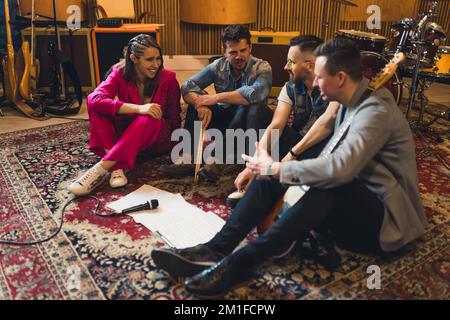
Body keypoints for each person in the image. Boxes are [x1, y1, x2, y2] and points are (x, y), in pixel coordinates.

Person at [151, 38, 427, 298]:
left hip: (384, 223)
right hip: (350, 206)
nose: (315, 82)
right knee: (272, 170)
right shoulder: (348, 100)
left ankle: (241, 262)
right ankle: (215, 248)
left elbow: (341, 170)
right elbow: (321, 135)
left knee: (320, 183)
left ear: (341, 78)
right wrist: (272, 168)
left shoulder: (374, 112)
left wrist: (278, 170)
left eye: (319, 76)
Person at [228, 35, 339, 207]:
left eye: (291, 62)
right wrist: (255, 162)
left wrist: (289, 157)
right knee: (257, 110)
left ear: (310, 65)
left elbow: (326, 123)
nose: (285, 67)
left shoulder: (333, 85)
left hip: (323, 150)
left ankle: (270, 184)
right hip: (297, 142)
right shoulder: (290, 87)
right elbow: (277, 124)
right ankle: (254, 170)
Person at [68, 34, 181, 196]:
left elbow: (174, 117)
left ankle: (100, 169)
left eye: (158, 59)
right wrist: (138, 108)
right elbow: (93, 99)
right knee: (99, 106)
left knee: (151, 114)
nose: (156, 65)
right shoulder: (119, 73)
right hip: (131, 132)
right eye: (149, 60)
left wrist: (178, 145)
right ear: (134, 58)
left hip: (158, 137)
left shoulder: (168, 78)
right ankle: (117, 168)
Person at [160, 24, 273, 183]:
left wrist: (217, 97)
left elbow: (254, 94)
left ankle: (220, 160)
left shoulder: (262, 67)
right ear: (224, 51)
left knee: (248, 105)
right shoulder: (217, 66)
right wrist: (200, 104)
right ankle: (188, 158)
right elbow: (187, 86)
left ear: (250, 47)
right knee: (197, 102)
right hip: (226, 121)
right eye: (233, 52)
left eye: (243, 50)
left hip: (251, 126)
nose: (239, 56)